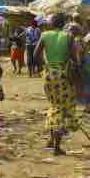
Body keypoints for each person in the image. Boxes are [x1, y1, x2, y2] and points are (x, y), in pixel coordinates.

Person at [34, 13, 79, 155]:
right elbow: (74, 58)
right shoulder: (69, 37)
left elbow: (35, 55)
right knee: (62, 108)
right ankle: (56, 147)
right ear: (63, 24)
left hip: (49, 75)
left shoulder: (45, 35)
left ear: (52, 23)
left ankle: (51, 140)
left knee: (54, 105)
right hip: (64, 75)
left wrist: (44, 66)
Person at [69, 23, 90, 113]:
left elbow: (79, 53)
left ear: (75, 31)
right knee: (87, 86)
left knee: (81, 86)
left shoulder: (76, 40)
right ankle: (87, 107)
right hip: (87, 65)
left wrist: (78, 64)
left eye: (71, 30)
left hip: (82, 66)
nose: (70, 32)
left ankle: (82, 107)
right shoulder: (82, 39)